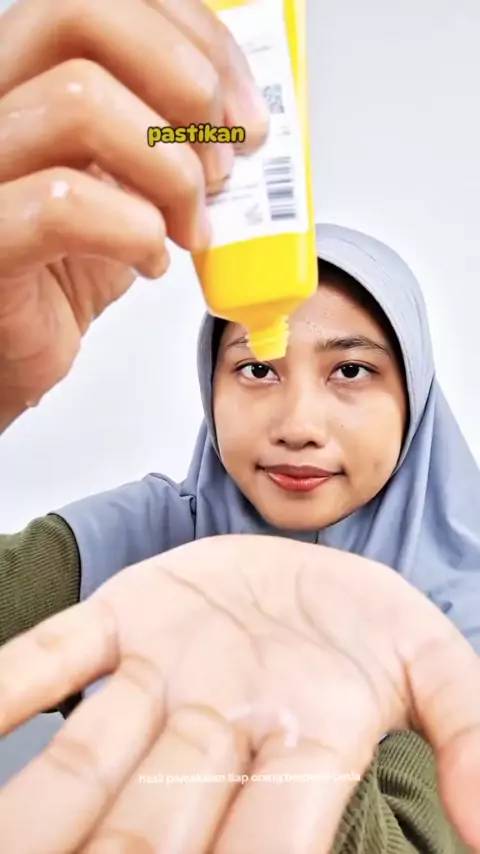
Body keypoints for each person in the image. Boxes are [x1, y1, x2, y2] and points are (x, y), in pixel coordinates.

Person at [2, 222, 480, 853]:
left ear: (412, 396)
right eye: (257, 368)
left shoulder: (455, 621)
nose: (299, 424)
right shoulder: (142, 536)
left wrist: (295, 698)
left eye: (351, 370)